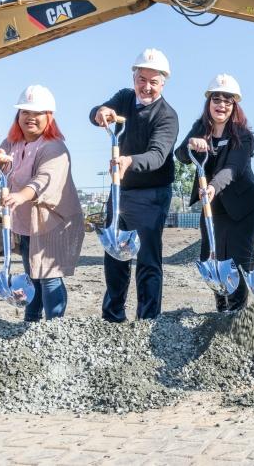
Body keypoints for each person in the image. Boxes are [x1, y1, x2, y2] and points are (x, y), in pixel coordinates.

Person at [89, 48, 179, 321]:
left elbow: (158, 155)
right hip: (121, 191)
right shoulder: (125, 98)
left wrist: (129, 161)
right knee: (115, 255)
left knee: (147, 260)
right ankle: (113, 316)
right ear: (134, 78)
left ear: (163, 83)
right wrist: (100, 112)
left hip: (151, 194)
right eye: (142, 79)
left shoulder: (167, 116)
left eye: (153, 81)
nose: (147, 86)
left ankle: (147, 320)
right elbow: (97, 112)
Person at [0, 85, 84, 321]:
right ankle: (31, 321)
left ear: (48, 117)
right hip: (28, 221)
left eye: (37, 113)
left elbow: (44, 179)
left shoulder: (54, 147)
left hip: (54, 221)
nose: (30, 118)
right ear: (18, 116)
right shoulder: (12, 142)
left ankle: (55, 325)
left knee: (49, 275)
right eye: (25, 112)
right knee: (33, 274)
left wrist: (19, 196)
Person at [175, 74, 254, 312]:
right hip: (213, 206)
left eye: (228, 100)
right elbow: (181, 156)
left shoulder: (243, 136)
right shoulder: (200, 128)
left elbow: (232, 168)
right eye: (217, 99)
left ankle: (237, 312)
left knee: (236, 257)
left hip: (245, 206)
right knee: (212, 256)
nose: (222, 105)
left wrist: (213, 186)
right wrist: (191, 144)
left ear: (234, 105)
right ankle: (221, 307)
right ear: (209, 102)